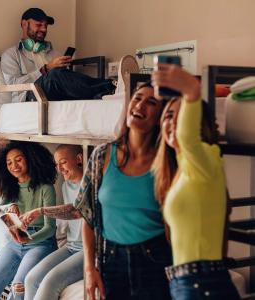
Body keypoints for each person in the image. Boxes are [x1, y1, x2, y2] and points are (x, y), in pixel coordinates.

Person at [74, 82, 172, 300]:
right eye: (137, 98)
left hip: (155, 261)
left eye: (151, 102)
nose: (140, 105)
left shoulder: (167, 161)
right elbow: (88, 217)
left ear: (160, 116)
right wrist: (90, 268)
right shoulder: (101, 156)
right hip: (111, 260)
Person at [152, 63, 240, 300]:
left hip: (202, 285)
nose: (172, 123)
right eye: (168, 116)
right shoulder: (182, 171)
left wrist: (191, 91)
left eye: (181, 117)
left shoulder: (207, 157)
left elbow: (187, 139)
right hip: (189, 284)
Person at [0, 140, 57, 300]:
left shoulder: (45, 188)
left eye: (18, 159)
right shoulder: (10, 189)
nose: (14, 165)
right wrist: (8, 207)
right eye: (9, 163)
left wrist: (28, 239)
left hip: (41, 243)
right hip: (15, 244)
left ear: (29, 159)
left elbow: (50, 228)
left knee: (18, 288)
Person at [1, 7, 116, 102]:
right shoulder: (11, 55)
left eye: (46, 26)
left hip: (56, 93)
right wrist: (46, 69)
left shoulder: (55, 54)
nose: (44, 29)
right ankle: (111, 86)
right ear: (24, 24)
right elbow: (13, 86)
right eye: (39, 25)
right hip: (29, 96)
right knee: (54, 74)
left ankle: (106, 91)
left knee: (61, 75)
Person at [19, 144, 84, 300]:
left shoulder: (91, 184)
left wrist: (40, 211)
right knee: (31, 279)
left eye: (63, 162)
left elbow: (75, 211)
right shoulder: (65, 186)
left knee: (50, 281)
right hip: (71, 245)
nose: (60, 169)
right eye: (57, 164)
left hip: (89, 250)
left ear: (79, 159)